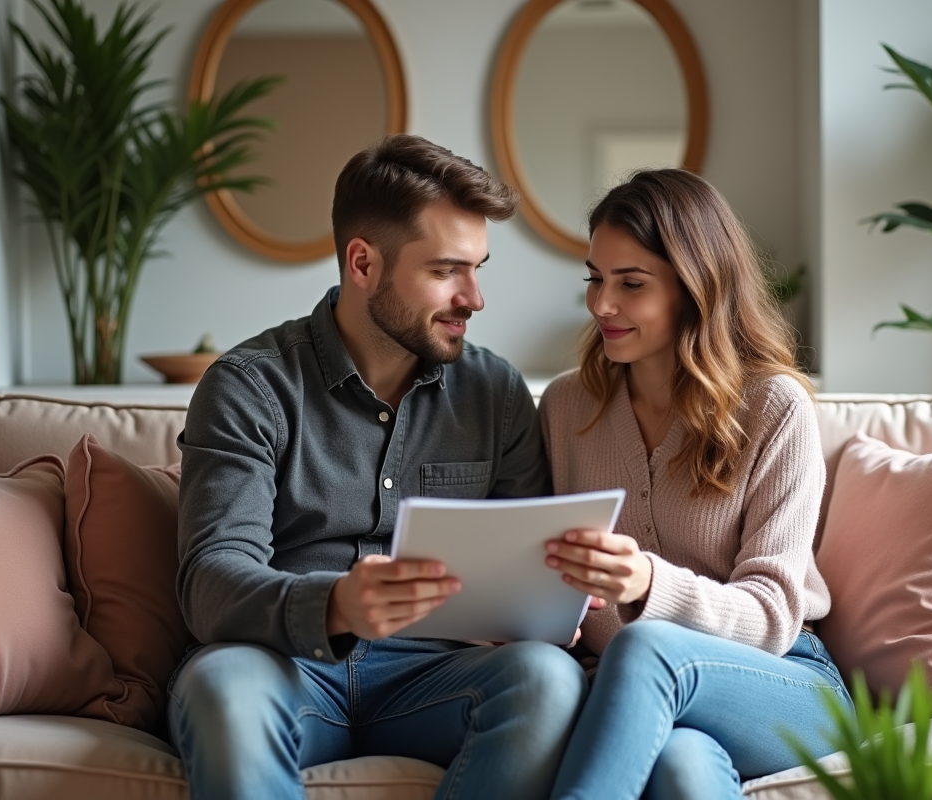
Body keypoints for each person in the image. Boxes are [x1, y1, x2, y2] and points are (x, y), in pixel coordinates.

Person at [169, 134, 588, 800]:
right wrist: (336, 604)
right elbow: (210, 579)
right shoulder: (249, 387)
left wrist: (549, 603)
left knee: (547, 679)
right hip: (286, 666)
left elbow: (526, 577)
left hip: (438, 678)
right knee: (223, 688)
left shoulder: (497, 393)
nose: (475, 298)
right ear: (362, 263)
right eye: (446, 271)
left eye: (478, 268)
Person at [539, 169, 851, 799]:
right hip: (637, 687)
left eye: (631, 284)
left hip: (782, 680)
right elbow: (544, 577)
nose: (602, 304)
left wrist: (646, 584)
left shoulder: (774, 407)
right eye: (595, 279)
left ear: (695, 287)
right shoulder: (567, 407)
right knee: (683, 767)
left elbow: (772, 615)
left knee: (646, 646)